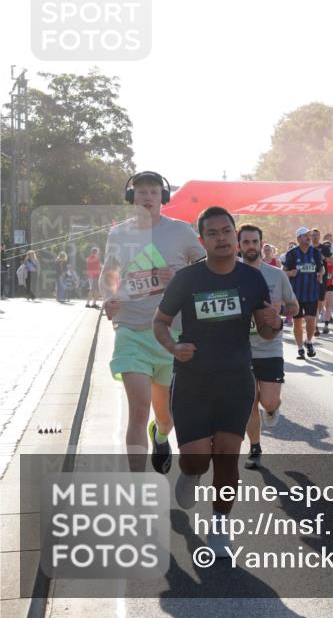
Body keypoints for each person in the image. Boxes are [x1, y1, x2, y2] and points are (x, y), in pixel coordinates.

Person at [154, 207, 278, 556]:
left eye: (227, 231)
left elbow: (266, 332)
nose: (221, 238)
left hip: (236, 380)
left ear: (235, 235)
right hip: (193, 381)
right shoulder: (188, 279)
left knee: (227, 457)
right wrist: (174, 347)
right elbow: (160, 322)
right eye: (213, 233)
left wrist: (276, 322)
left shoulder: (251, 279)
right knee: (196, 459)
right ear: (202, 240)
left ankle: (220, 526)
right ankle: (190, 473)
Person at [101, 171, 205, 473]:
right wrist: (109, 297)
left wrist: (182, 279)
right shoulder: (118, 234)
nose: (147, 197)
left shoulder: (182, 232)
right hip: (131, 331)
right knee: (137, 411)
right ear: (132, 197)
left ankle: (160, 436)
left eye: (154, 192)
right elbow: (109, 274)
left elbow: (204, 267)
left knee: (165, 417)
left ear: (163, 198)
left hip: (170, 335)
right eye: (141, 192)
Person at [238, 224, 298, 471]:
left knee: (269, 402)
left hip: (271, 346)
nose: (251, 246)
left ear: (261, 244)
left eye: (255, 241)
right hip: (241, 348)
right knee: (249, 401)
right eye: (246, 242)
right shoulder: (231, 274)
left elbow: (294, 307)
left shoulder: (276, 275)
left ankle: (272, 409)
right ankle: (255, 447)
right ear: (239, 245)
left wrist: (280, 311)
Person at [283, 227, 325, 359]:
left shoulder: (315, 253)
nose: (309, 237)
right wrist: (290, 273)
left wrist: (320, 274)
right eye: (306, 235)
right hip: (296, 294)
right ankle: (300, 348)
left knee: (311, 321)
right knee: (297, 322)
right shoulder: (292, 254)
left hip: (312, 293)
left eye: (310, 235)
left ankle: (309, 341)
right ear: (299, 238)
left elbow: (321, 269)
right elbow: (282, 272)